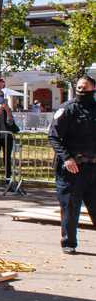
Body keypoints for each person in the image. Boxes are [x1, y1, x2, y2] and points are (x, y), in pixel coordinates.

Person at [48, 75, 96, 255]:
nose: (82, 90)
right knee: (70, 206)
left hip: (93, 168)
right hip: (72, 168)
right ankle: (69, 242)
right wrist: (67, 158)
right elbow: (54, 136)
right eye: (79, 87)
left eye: (85, 87)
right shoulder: (67, 109)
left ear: (93, 89)